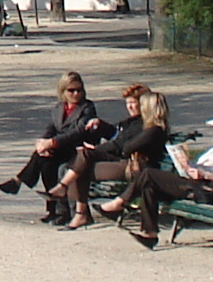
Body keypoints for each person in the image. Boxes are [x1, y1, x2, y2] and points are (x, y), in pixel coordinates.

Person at [110, 107, 213, 246]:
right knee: (149, 185)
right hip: (199, 184)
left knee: (149, 175)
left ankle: (120, 203)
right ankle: (149, 233)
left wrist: (205, 175)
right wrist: (188, 165)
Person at [51, 85, 168, 228]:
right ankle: (75, 209)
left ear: (144, 105)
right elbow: (118, 137)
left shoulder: (147, 126)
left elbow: (123, 147)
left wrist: (97, 149)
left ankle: (77, 210)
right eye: (128, 103)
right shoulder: (135, 123)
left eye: (134, 103)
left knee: (81, 165)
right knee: (78, 164)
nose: (130, 107)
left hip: (132, 166)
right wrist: (101, 126)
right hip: (124, 161)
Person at [0, 73, 100, 200]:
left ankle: (18, 181)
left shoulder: (87, 107)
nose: (76, 94)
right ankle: (53, 207)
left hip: (77, 149)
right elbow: (51, 128)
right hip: (60, 148)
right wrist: (43, 142)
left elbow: (78, 132)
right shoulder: (59, 107)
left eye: (79, 90)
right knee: (45, 161)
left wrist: (52, 143)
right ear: (63, 91)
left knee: (43, 157)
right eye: (71, 90)